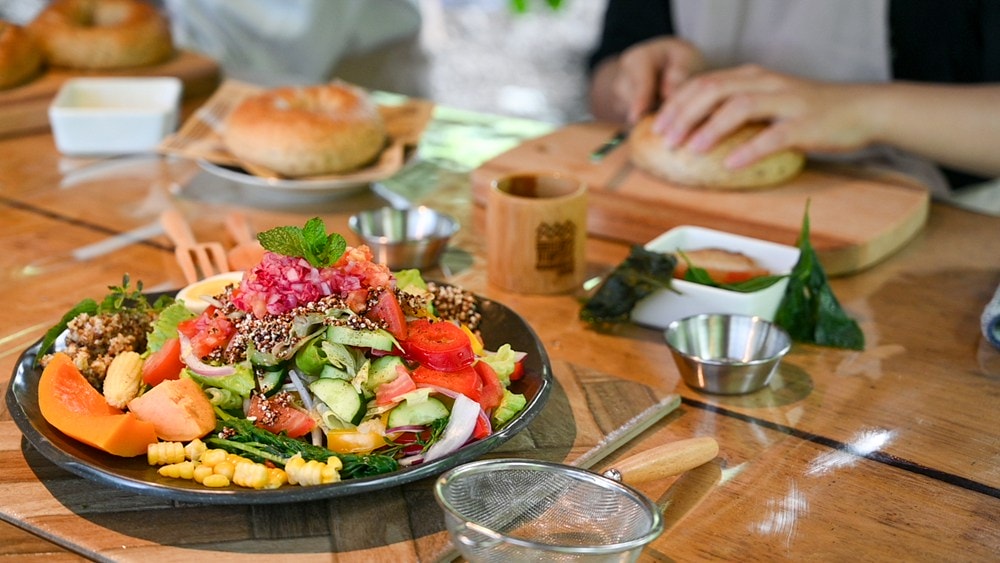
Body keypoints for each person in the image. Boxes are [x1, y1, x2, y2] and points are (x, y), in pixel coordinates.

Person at [587, 0, 1000, 195]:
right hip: (684, 212)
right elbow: (605, 84)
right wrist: (635, 83)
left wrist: (865, 110)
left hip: (941, 232)